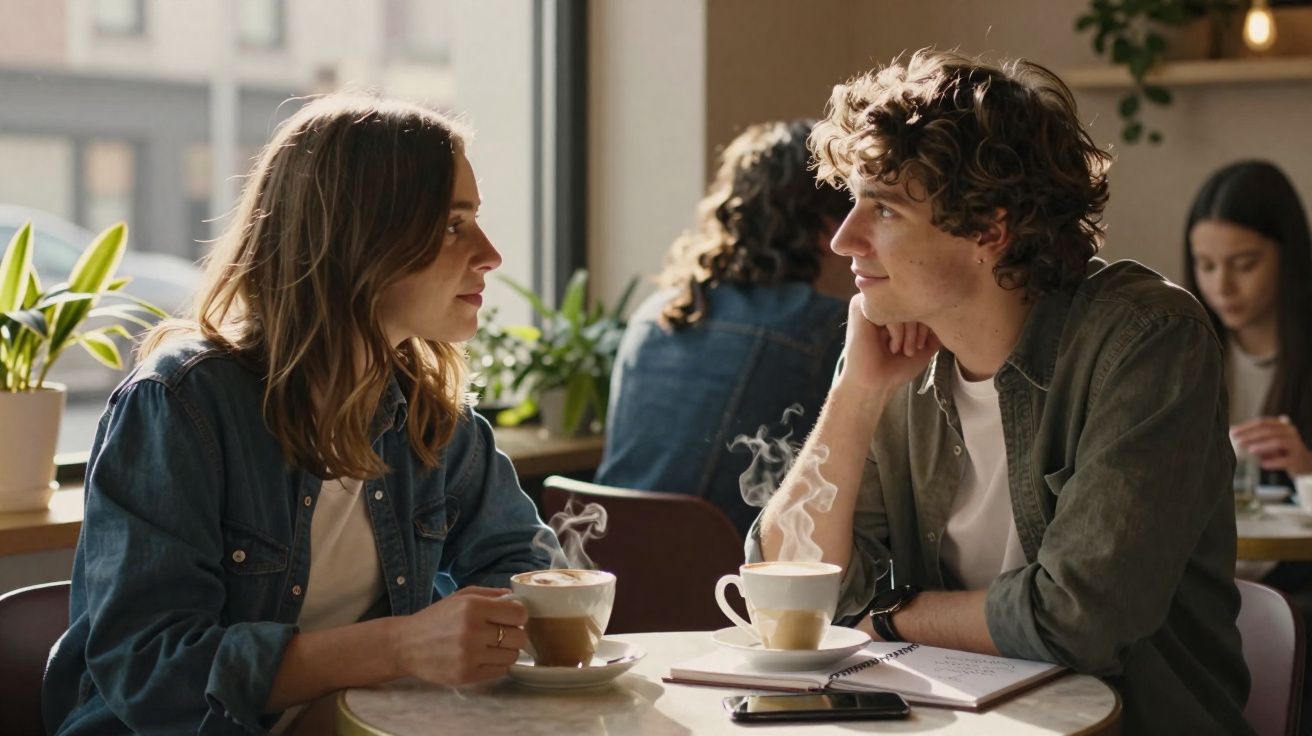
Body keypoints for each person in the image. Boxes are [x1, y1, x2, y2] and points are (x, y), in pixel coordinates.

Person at [751, 51, 1250, 733]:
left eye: (886, 209)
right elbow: (785, 597)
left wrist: (890, 618)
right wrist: (858, 392)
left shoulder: (1146, 340)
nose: (844, 240)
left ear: (990, 227)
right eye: (852, 203)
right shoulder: (897, 347)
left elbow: (1079, 617)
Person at [43, 94, 555, 735]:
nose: (489, 253)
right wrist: (400, 647)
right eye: (453, 225)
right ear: (361, 235)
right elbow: (152, 670)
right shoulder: (180, 405)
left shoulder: (427, 417)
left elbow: (527, 568)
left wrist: (481, 625)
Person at [596, 120, 853, 536]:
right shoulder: (824, 327)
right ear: (826, 228)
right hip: (728, 581)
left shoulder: (656, 311)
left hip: (610, 560)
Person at [1185, 160, 1312, 482]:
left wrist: (1307, 469)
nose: (1222, 287)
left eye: (1244, 265)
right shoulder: (1183, 350)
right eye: (1206, 266)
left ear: (1287, 256)